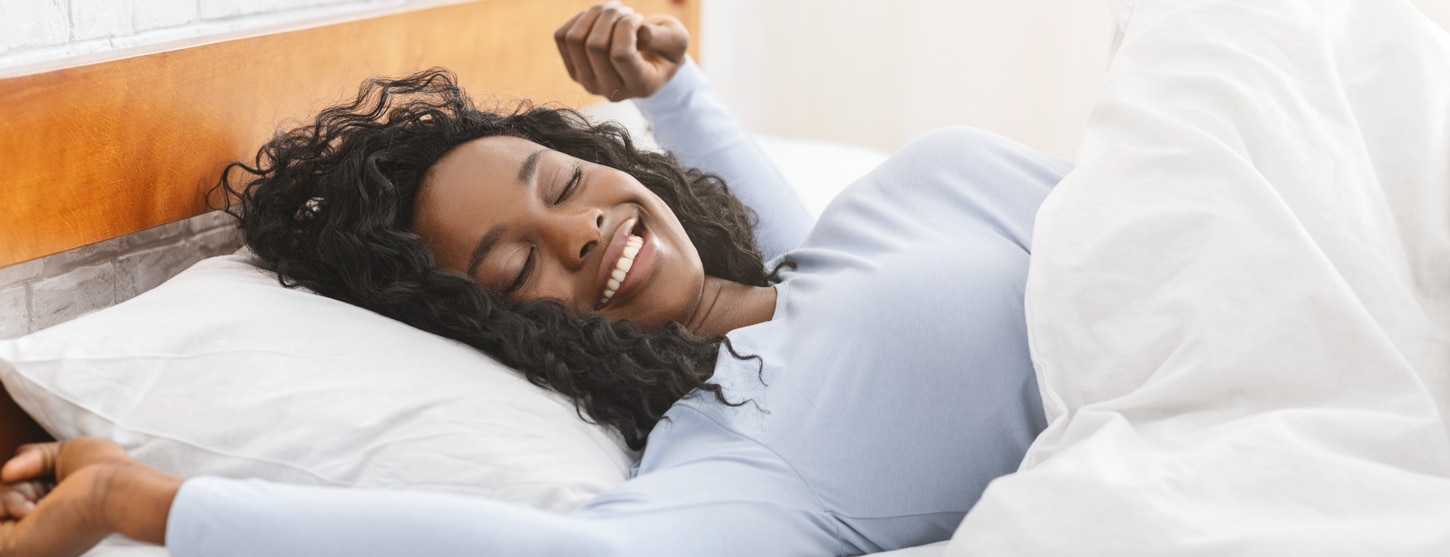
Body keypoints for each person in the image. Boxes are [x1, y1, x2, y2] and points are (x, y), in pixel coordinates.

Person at [0, 2, 1071, 555]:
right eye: (516, 262)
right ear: (497, 327)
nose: (582, 231)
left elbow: (800, 272)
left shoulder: (847, 240)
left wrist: (678, 93)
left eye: (562, 181)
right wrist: (142, 497)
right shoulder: (745, 455)